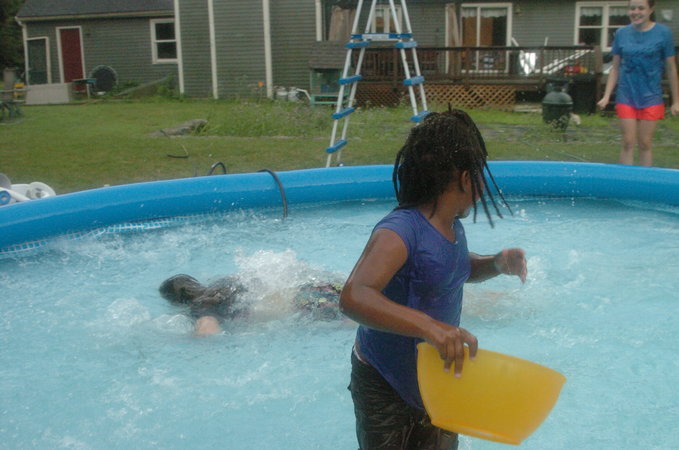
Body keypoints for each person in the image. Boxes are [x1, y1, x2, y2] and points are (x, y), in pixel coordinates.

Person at [339, 109, 527, 450]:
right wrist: (431, 327)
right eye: (480, 174)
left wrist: (494, 264)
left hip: (436, 379)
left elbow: (450, 269)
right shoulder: (400, 231)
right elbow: (354, 295)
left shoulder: (450, 224)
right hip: (385, 382)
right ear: (466, 178)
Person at [596, 0, 679, 166]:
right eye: (632, 8)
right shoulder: (622, 33)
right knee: (627, 142)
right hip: (626, 94)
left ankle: (645, 180)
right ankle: (625, 180)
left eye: (641, 8)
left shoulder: (663, 33)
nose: (636, 12)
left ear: (651, 10)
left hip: (651, 95)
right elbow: (615, 68)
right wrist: (606, 96)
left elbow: (671, 69)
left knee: (645, 143)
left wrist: (676, 101)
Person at [159, 274, 343, 335]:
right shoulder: (224, 282)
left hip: (309, 305)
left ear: (176, 302)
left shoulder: (201, 306)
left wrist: (188, 341)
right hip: (317, 287)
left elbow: (209, 333)